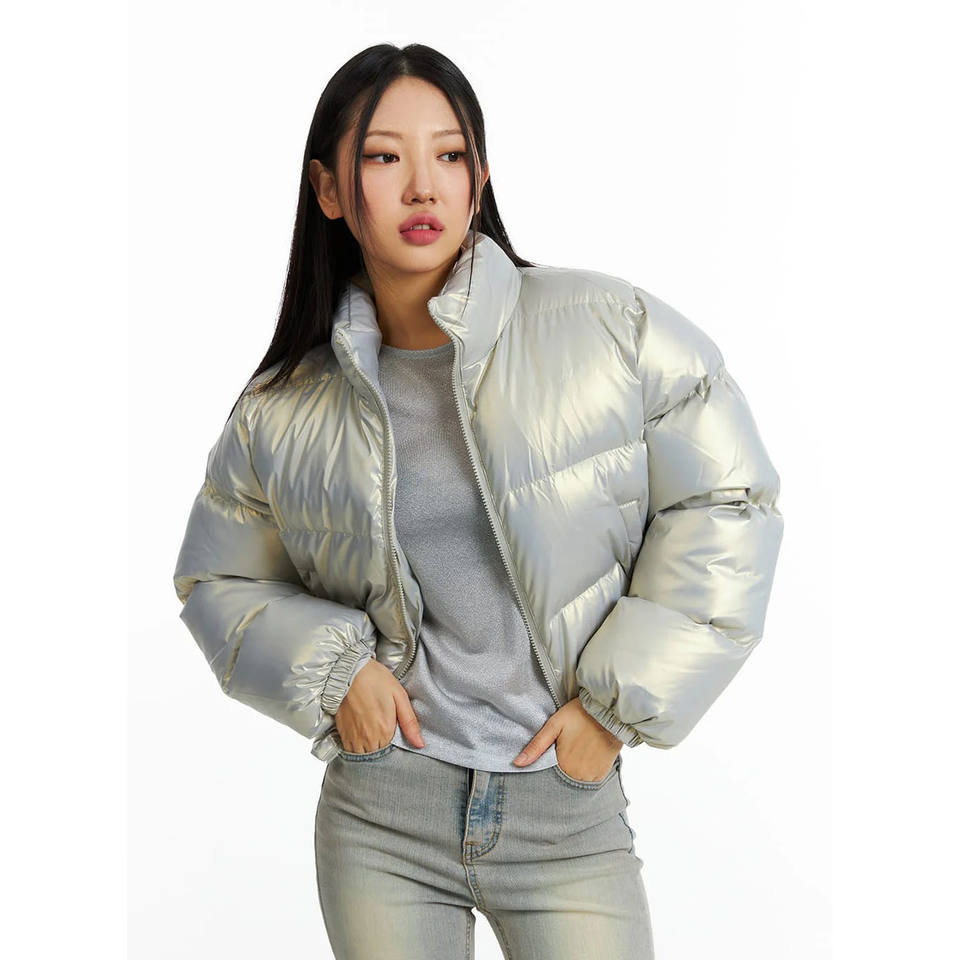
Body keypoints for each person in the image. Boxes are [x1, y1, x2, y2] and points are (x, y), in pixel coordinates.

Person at [172, 42, 784, 960]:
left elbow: (729, 499)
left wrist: (614, 708)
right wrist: (340, 674)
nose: (424, 185)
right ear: (330, 189)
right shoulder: (285, 409)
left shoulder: (604, 328)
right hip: (384, 816)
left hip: (564, 806)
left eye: (450, 154)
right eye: (384, 156)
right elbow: (216, 580)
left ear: (480, 176)